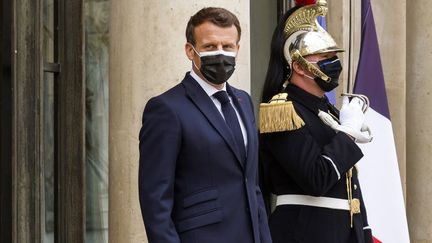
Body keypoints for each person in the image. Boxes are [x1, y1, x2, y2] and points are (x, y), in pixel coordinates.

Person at [138, 7, 272, 243]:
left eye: (228, 46)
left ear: (238, 49)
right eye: (210, 46)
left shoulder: (243, 100)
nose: (221, 54)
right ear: (191, 51)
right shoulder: (166, 109)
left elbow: (252, 185)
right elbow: (155, 200)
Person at [259, 0, 374, 242]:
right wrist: (348, 133)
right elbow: (316, 179)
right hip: (305, 231)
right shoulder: (283, 111)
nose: (333, 63)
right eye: (324, 57)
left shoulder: (326, 110)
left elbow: (350, 189)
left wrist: (363, 233)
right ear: (299, 66)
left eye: (334, 56)